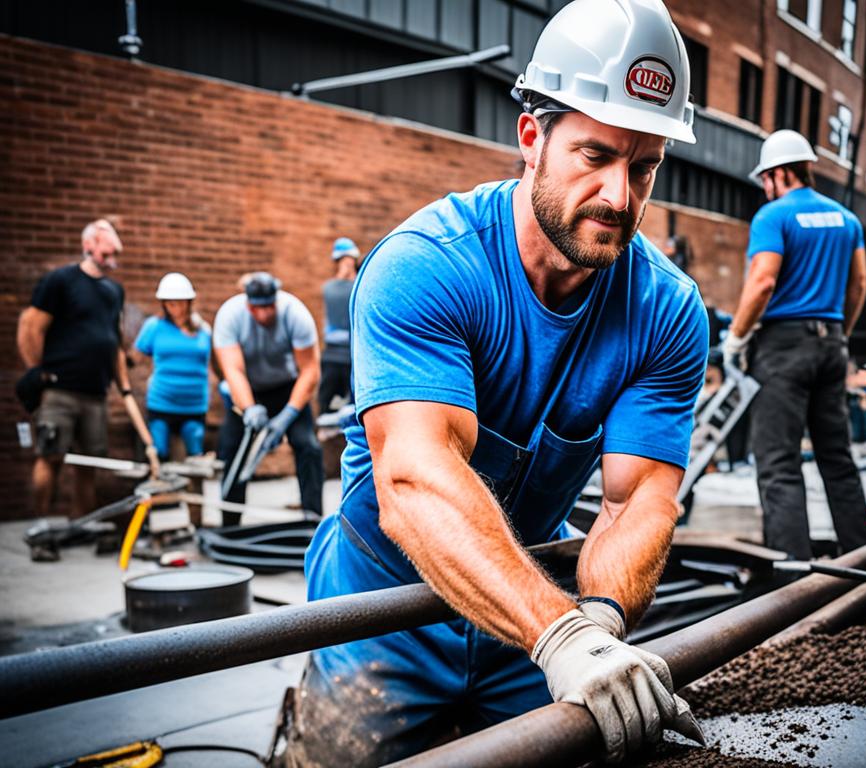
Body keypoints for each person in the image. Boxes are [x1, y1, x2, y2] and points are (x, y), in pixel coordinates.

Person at [276, 2, 709, 765]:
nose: (619, 194)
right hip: (382, 617)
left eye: (643, 167)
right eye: (595, 156)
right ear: (533, 138)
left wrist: (596, 630)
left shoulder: (666, 310)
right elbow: (414, 482)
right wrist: (561, 633)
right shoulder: (430, 265)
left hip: (531, 618)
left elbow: (637, 499)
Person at [723, 129, 866, 561]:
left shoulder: (773, 216)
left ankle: (789, 574)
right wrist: (838, 331)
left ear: (777, 174)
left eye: (765, 179)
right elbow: (859, 283)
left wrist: (737, 338)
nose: (765, 188)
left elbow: (763, 281)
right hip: (831, 343)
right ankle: (864, 561)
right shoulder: (847, 219)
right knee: (838, 459)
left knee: (778, 463)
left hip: (782, 347)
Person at [16, 219, 157, 555]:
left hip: (96, 394)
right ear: (90, 244)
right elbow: (30, 326)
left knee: (90, 464)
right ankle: (41, 530)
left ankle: (81, 528)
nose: (114, 256)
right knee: (50, 456)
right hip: (60, 390)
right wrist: (38, 372)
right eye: (110, 249)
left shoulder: (113, 291)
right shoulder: (61, 281)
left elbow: (114, 342)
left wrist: (122, 385)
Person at [213, 272, 322, 525]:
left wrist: (288, 416)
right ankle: (230, 525)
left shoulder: (295, 314)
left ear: (276, 300)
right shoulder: (230, 316)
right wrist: (249, 408)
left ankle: (312, 521)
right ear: (247, 303)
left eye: (268, 307)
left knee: (308, 446)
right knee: (233, 451)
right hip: (248, 390)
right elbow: (233, 370)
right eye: (256, 308)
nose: (263, 314)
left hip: (287, 388)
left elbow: (309, 370)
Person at [133, 273, 212, 460]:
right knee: (159, 453)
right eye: (170, 303)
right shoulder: (154, 327)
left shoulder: (203, 330)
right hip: (162, 401)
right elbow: (134, 358)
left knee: (195, 454)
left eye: (180, 302)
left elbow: (216, 363)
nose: (175, 307)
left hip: (194, 404)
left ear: (189, 302)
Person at [317, 237, 359, 414]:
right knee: (326, 404)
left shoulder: (352, 286)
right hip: (335, 354)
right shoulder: (331, 288)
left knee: (354, 403)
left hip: (352, 354)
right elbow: (339, 292)